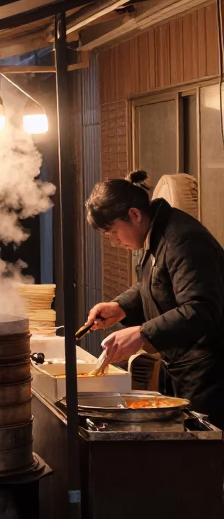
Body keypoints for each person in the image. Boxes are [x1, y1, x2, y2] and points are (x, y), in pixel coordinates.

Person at [85, 170, 224, 426]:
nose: (115, 242)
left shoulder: (183, 239)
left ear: (134, 215)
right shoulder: (154, 234)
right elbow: (154, 286)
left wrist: (143, 333)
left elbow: (201, 308)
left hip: (209, 373)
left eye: (114, 232)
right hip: (183, 366)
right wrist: (120, 306)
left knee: (203, 455)